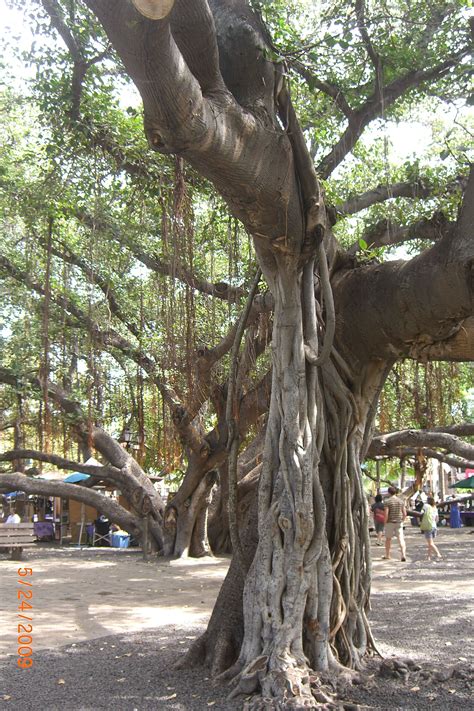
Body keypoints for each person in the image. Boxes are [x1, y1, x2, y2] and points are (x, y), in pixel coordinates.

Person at [383, 486, 407, 561]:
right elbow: (405, 513)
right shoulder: (400, 501)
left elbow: (386, 514)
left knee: (388, 539)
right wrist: (402, 520)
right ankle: (403, 554)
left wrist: (385, 522)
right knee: (401, 539)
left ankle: (387, 555)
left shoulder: (387, 501)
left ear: (389, 492)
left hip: (390, 522)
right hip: (399, 522)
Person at [420, 496, 442, 560]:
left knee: (430, 543)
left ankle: (438, 554)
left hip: (428, 526)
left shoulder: (426, 506)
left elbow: (421, 513)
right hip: (434, 526)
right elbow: (437, 518)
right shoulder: (435, 508)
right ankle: (428, 557)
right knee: (430, 542)